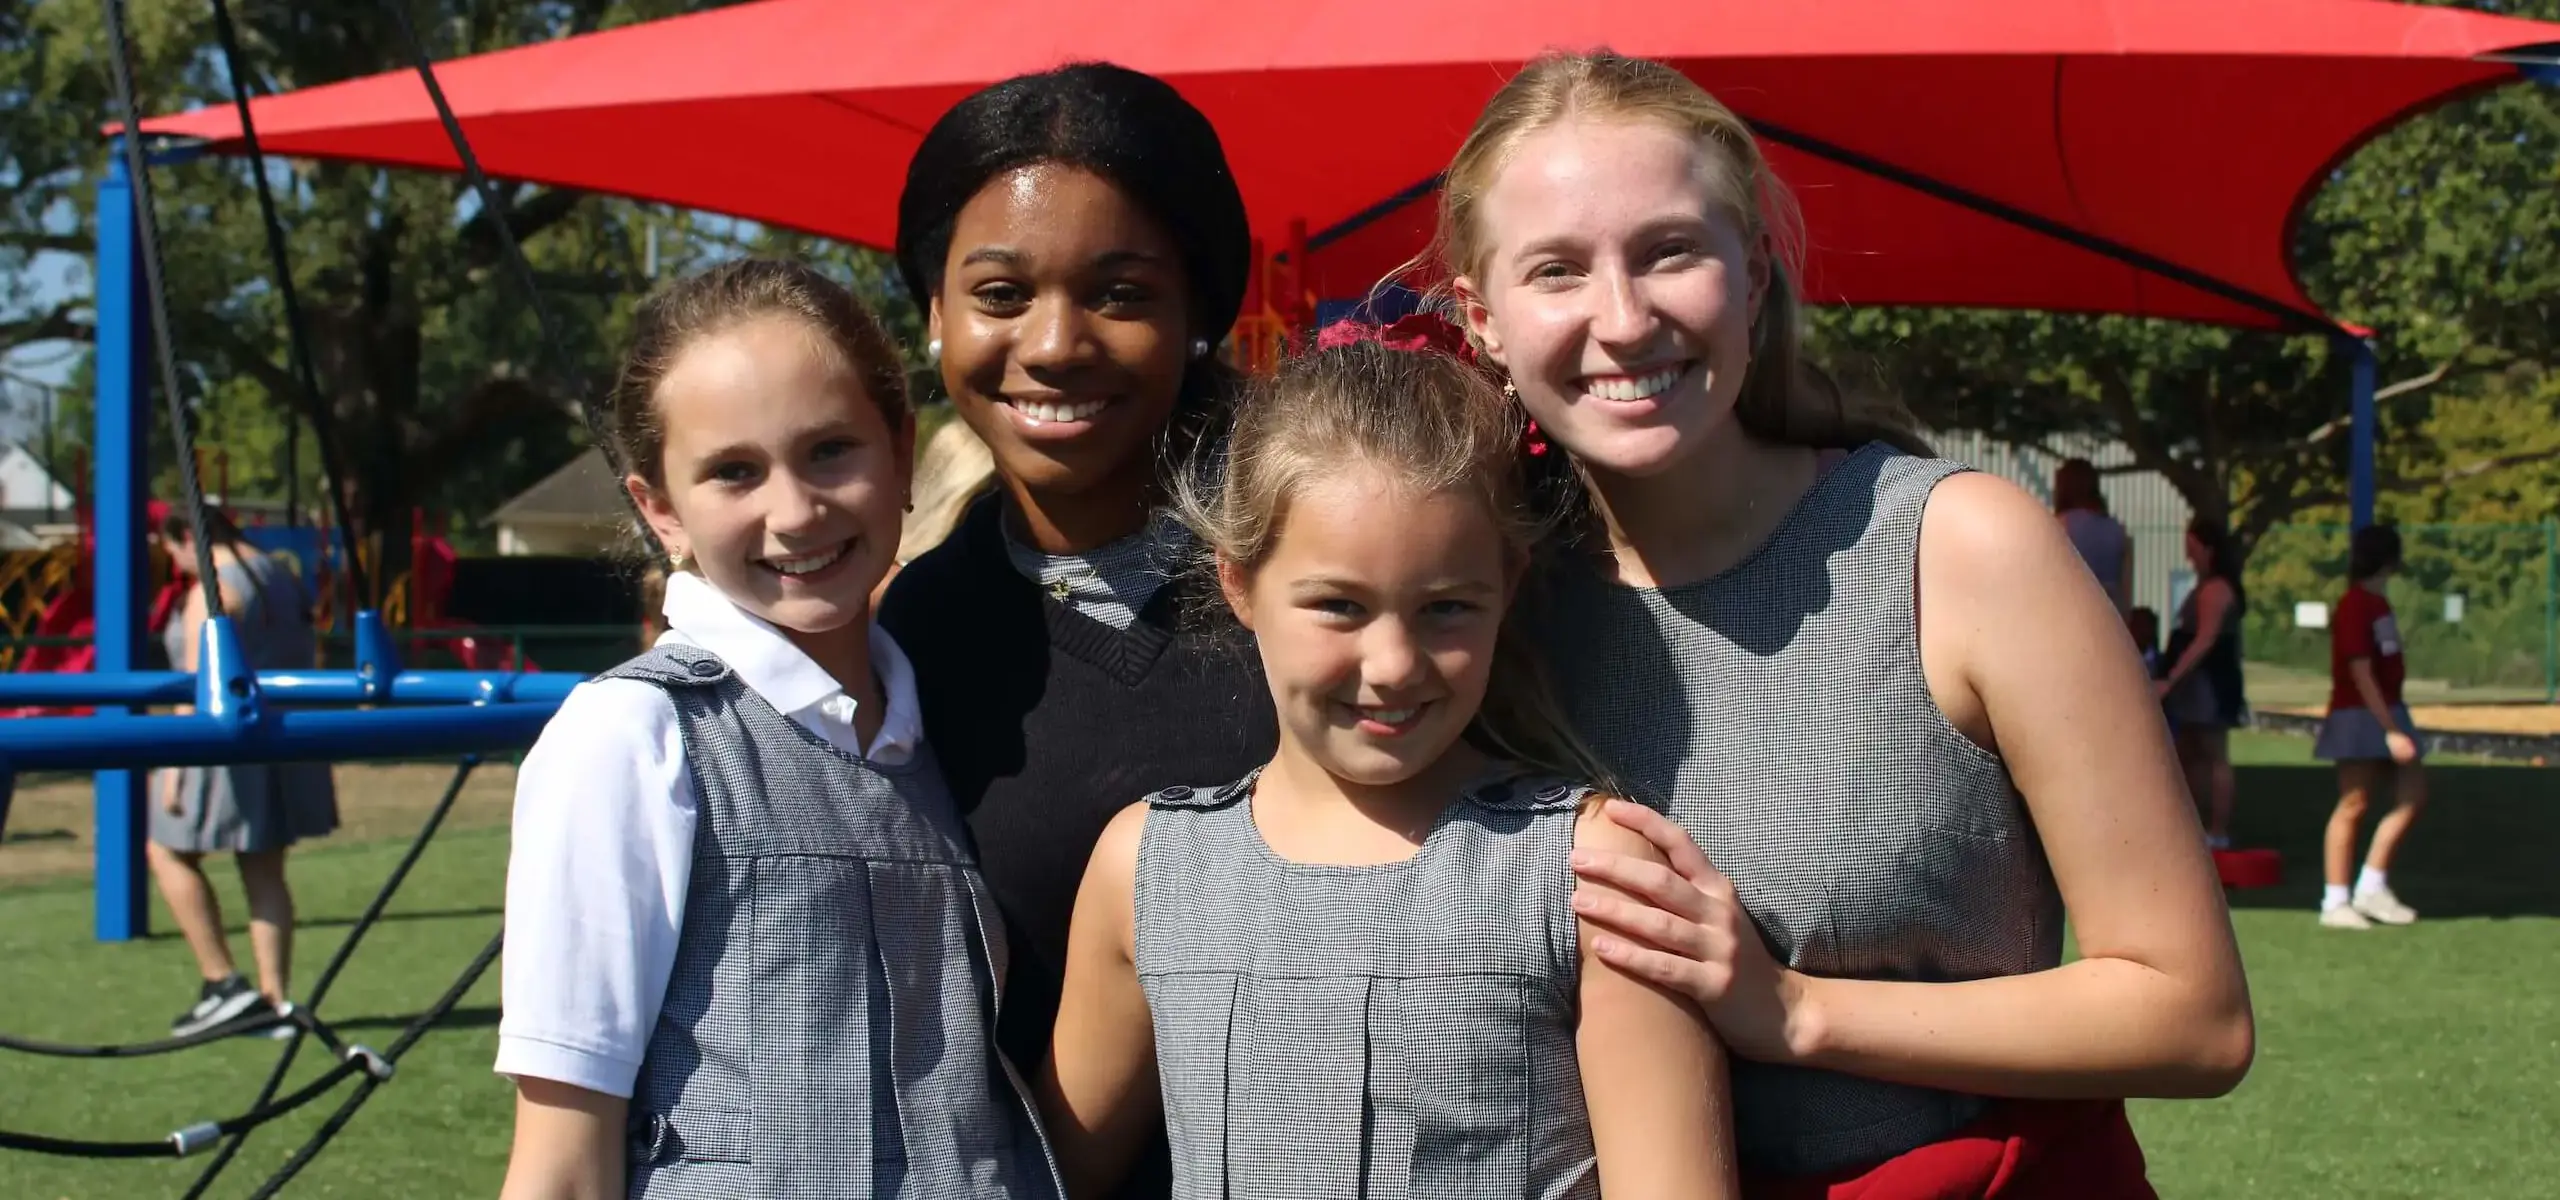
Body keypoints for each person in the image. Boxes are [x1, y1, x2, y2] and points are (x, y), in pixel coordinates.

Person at [1431, 50, 2251, 1195]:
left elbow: (2193, 1015)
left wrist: (1798, 1013)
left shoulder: (1960, 548)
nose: (1622, 319)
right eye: (1557, 270)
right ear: (1482, 322)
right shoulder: (1468, 609)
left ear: (1754, 274)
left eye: (1670, 251)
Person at [1040, 339, 1736, 1200]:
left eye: (1445, 608)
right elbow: (1053, 1173)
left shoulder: (1593, 873)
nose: (1394, 664)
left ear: (1506, 587)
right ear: (1240, 583)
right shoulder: (1145, 869)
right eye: (1339, 605)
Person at [495, 259, 1057, 1199]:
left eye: (832, 450)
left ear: (902, 453)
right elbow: (561, 1160)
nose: (794, 512)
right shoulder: (634, 737)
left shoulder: (932, 730)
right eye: (734, 472)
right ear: (660, 511)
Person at [877, 63, 1281, 1199]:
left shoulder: (1331, 586)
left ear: (1200, 314)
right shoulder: (912, 634)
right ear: (933, 313)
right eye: (1000, 293)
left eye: (1119, 293)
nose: (1053, 344)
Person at [148, 507, 336, 1039]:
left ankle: (223, 982)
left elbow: (195, 682)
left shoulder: (211, 593)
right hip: (280, 737)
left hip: (224, 744)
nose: (178, 565)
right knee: (263, 869)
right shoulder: (281, 576)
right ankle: (275, 1002)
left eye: (174, 553)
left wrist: (173, 772)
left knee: (165, 850)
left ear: (188, 537)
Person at [2313, 523, 2426, 929]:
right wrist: (2390, 729)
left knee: (2413, 794)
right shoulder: (2355, 605)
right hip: (2360, 715)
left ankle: (2372, 885)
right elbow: (2361, 671)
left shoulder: (2379, 605)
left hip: (2387, 709)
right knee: (2353, 803)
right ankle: (2336, 900)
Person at [2160, 517, 2249, 850]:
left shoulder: (2216, 589)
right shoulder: (2203, 586)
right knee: (2188, 752)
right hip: (2195, 687)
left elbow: (2205, 640)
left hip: (2210, 685)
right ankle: (2193, 826)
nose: (2188, 555)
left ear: (2208, 548)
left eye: (2192, 547)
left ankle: (2217, 831)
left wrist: (2170, 680)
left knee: (2214, 754)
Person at [2054, 457, 2132, 612]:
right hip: (2110, 615)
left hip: (2072, 611)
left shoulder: (2060, 526)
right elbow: (2125, 589)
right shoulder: (2117, 530)